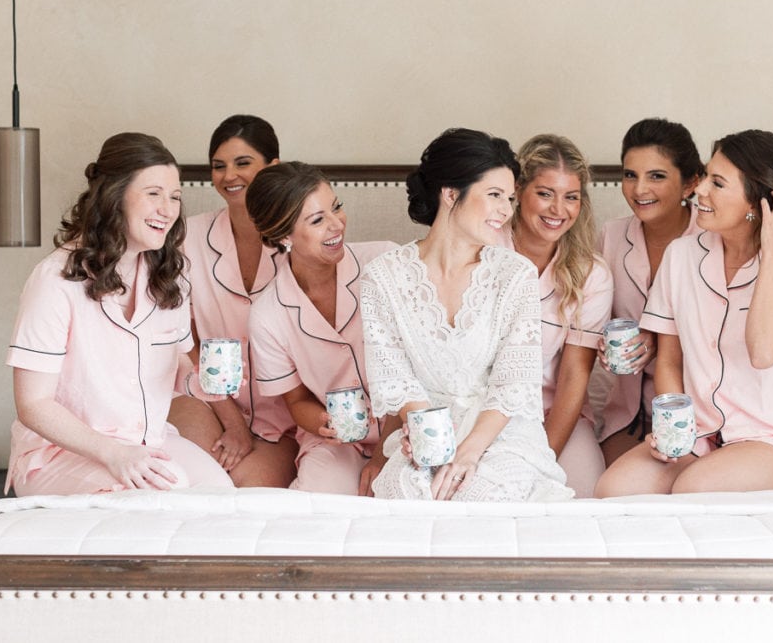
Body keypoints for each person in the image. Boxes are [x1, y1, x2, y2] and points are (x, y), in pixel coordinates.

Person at [594, 129, 773, 496]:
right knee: (614, 490)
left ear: (756, 201)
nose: (700, 191)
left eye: (718, 183)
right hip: (700, 432)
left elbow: (763, 351)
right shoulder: (681, 256)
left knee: (697, 488)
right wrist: (672, 433)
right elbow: (668, 361)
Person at [6, 132, 234, 496]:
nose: (168, 209)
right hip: (62, 453)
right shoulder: (55, 281)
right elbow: (33, 404)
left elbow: (173, 367)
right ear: (114, 196)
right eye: (153, 194)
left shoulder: (170, 277)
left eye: (175, 196)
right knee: (156, 498)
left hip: (147, 442)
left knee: (219, 495)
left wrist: (200, 382)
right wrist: (112, 453)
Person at [363, 128, 573, 502]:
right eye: (494, 195)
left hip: (499, 432)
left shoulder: (515, 275)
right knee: (403, 493)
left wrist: (468, 452)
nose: (506, 211)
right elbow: (394, 378)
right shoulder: (383, 277)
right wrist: (429, 439)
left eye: (509, 198)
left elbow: (515, 382)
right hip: (427, 430)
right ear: (450, 193)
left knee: (479, 495)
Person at [246, 161, 396, 495]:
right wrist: (323, 424)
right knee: (314, 503)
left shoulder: (386, 263)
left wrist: (386, 451)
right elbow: (297, 399)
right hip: (340, 442)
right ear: (284, 235)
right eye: (317, 220)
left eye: (336, 207)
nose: (337, 224)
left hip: (408, 427)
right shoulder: (267, 314)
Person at [168, 115, 299, 487]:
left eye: (243, 163)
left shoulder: (301, 239)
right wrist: (233, 423)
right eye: (218, 166)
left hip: (283, 415)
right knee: (196, 485)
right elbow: (184, 338)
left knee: (248, 494)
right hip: (206, 398)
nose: (229, 176)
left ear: (272, 168)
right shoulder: (187, 237)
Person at [497, 134, 612, 497]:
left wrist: (540, 458)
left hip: (556, 415)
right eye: (545, 193)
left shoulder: (591, 274)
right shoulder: (484, 250)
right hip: (484, 413)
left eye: (571, 197)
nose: (558, 210)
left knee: (586, 495)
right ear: (519, 191)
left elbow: (575, 374)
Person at [593, 118, 704, 466]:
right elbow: (590, 319)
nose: (639, 189)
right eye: (630, 175)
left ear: (690, 184)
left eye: (656, 176)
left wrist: (660, 338)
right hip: (628, 414)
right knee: (605, 494)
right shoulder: (610, 237)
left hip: (701, 415)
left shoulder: (713, 241)